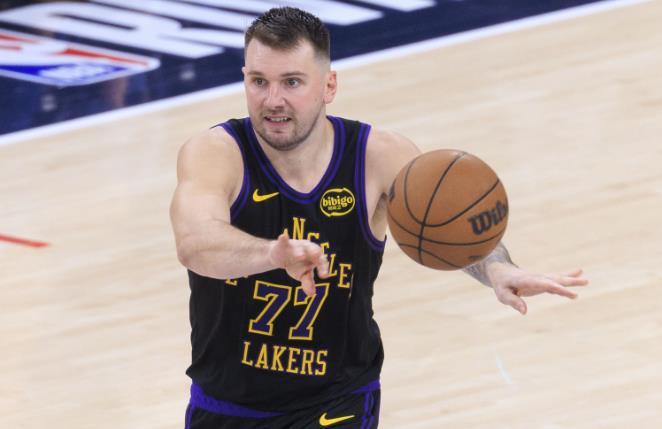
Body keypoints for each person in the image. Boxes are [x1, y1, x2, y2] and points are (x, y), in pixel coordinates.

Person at [169, 7, 588, 429]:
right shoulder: (216, 153)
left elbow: (446, 218)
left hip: (339, 399)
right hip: (227, 406)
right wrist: (271, 255)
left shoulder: (378, 157)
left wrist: (496, 266)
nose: (273, 100)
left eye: (292, 82)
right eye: (259, 81)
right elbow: (195, 243)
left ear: (329, 85)